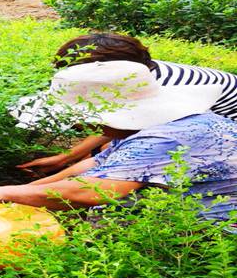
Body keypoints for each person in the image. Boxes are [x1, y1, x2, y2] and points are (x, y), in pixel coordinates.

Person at [0, 60, 237, 226]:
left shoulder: (164, 137)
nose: (80, 128)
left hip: (218, 228)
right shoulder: (156, 124)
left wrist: (6, 193)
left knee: (113, 212)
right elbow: (98, 164)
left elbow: (93, 192)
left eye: (79, 122)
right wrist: (25, 190)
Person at [15, 32, 237, 177]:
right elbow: (117, 123)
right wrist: (66, 160)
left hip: (224, 137)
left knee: (118, 154)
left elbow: (124, 132)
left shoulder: (167, 87)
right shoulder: (138, 77)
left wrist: (70, 170)